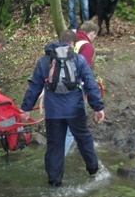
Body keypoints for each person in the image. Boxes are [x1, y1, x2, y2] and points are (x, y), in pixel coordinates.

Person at [21, 30, 105, 186]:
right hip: (76, 110)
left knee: (55, 146)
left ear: (58, 40)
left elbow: (34, 86)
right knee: (84, 139)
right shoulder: (79, 60)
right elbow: (91, 84)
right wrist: (98, 107)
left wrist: (26, 108)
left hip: (53, 112)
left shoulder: (44, 61)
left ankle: (54, 182)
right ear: (72, 44)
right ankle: (94, 170)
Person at [65, 20, 99, 155]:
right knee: (74, 125)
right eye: (95, 35)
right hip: (76, 88)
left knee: (78, 118)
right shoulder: (87, 46)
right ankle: (59, 159)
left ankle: (82, 144)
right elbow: (84, 70)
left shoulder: (73, 40)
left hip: (61, 86)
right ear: (92, 33)